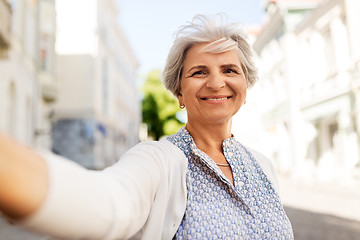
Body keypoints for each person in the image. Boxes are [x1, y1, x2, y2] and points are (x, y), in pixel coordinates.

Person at [0, 14, 294, 239]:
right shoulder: (159, 160)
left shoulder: (263, 166)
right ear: (179, 92)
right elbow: (108, 203)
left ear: (245, 83)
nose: (217, 83)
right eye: (199, 72)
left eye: (230, 70)